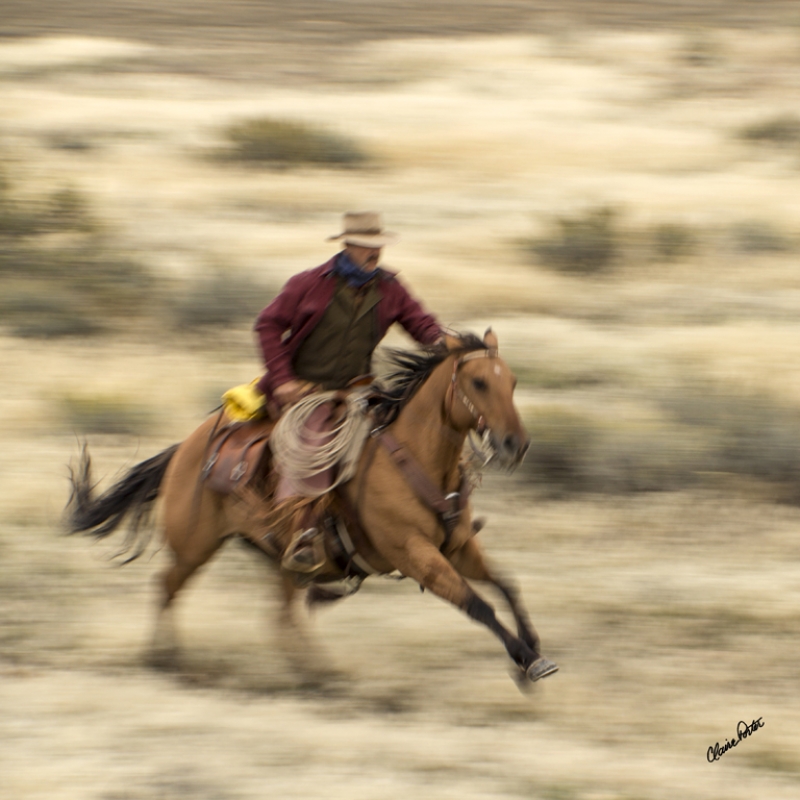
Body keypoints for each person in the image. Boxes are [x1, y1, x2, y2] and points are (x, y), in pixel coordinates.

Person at [254, 211, 443, 574]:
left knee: (407, 437)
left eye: (379, 247)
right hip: (306, 392)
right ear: (348, 246)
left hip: (358, 390)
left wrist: (444, 342)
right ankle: (303, 532)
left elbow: (421, 324)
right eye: (368, 247)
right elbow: (267, 325)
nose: (376, 254)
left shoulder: (389, 286)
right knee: (313, 446)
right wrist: (282, 381)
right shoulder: (307, 284)